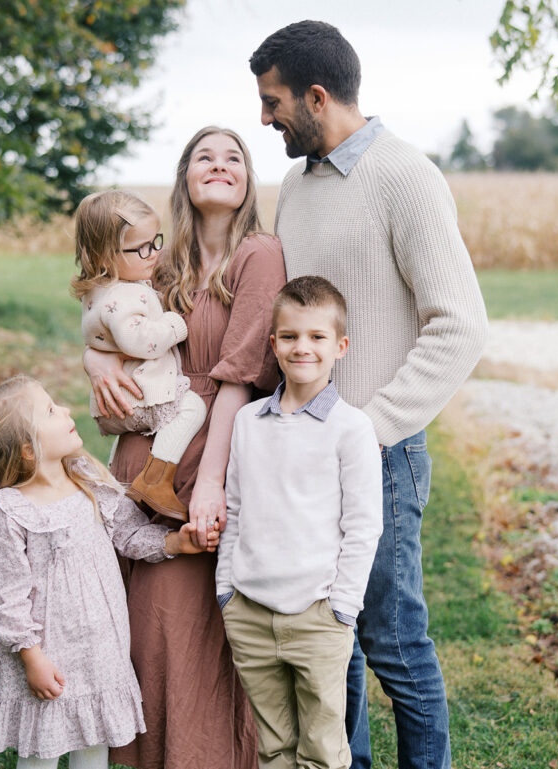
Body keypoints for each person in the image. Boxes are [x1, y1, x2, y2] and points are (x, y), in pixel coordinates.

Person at [250, 22, 489, 769]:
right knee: (331, 638)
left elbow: (460, 325)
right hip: (302, 453)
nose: (264, 119)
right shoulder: (294, 184)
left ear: (317, 97)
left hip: (379, 456)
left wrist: (367, 427)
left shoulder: (405, 176)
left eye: (273, 101)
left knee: (392, 640)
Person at [83, 126, 286, 769]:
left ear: (249, 180)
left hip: (207, 461)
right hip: (141, 455)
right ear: (185, 176)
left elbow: (243, 373)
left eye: (234, 157)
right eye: (205, 156)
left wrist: (209, 480)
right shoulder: (157, 261)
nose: (220, 165)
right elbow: (105, 320)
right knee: (140, 630)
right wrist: (95, 367)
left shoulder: (260, 254)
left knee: (189, 627)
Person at [0, 375, 205, 769]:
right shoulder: (12, 512)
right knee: (42, 750)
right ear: (28, 450)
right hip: (50, 656)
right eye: (51, 411)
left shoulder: (88, 483)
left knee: (94, 748)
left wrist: (172, 543)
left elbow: (128, 533)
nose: (67, 410)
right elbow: (6, 599)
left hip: (100, 650)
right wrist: (32, 658)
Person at [216, 276, 383, 769]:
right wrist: (227, 591)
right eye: (289, 337)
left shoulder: (351, 429)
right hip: (249, 610)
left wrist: (343, 608)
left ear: (340, 346)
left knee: (322, 752)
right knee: (274, 749)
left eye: (316, 337)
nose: (302, 347)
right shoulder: (249, 422)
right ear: (273, 343)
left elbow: (363, 526)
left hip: (318, 615)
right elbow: (237, 509)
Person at [72, 189, 207, 520]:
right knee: (192, 406)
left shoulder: (101, 290)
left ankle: (120, 471)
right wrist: (175, 325)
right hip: (138, 395)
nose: (153, 254)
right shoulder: (125, 295)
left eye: (155, 241)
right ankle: (156, 479)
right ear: (105, 257)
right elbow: (138, 340)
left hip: (120, 398)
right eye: (141, 248)